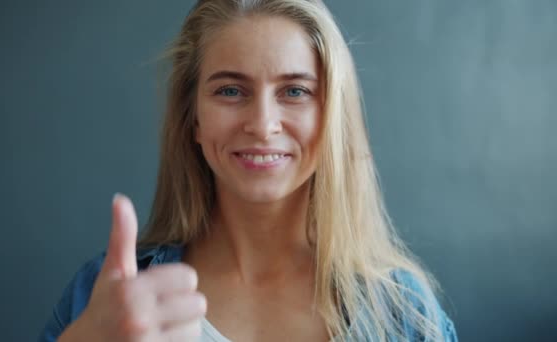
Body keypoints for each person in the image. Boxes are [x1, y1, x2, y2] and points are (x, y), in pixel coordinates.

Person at [39, 0, 458, 341]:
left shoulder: (406, 313)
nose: (261, 124)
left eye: (295, 91)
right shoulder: (107, 297)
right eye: (230, 90)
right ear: (194, 120)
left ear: (332, 118)